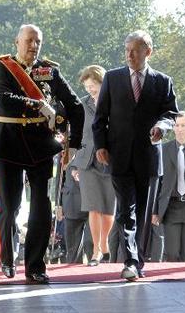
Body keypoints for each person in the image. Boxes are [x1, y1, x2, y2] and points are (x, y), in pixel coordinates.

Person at [0, 24, 84, 284]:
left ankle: (35, 266)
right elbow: (3, 99)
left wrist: (73, 144)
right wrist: (40, 104)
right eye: (29, 40)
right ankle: (8, 257)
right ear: (16, 41)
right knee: (10, 207)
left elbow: (76, 106)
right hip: (8, 142)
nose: (33, 46)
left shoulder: (49, 70)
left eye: (38, 41)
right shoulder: (1, 67)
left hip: (41, 144)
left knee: (42, 207)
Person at [92, 30, 178, 280]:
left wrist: (162, 127)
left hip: (148, 157)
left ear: (148, 52)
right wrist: (100, 146)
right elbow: (100, 119)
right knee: (125, 211)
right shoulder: (112, 78)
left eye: (135, 50)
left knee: (142, 212)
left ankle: (138, 261)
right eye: (127, 49)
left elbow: (171, 114)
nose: (129, 55)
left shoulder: (163, 81)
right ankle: (129, 261)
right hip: (118, 156)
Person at [74, 65, 116, 266]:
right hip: (87, 162)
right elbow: (76, 135)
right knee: (93, 207)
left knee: (108, 209)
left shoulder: (115, 103)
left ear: (102, 83)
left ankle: (104, 241)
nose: (90, 89)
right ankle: (96, 251)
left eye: (93, 85)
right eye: (87, 86)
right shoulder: (81, 105)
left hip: (110, 161)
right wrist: (74, 164)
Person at [152, 111, 185, 262]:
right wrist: (155, 211)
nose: (180, 129)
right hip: (171, 208)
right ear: (173, 128)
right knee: (171, 253)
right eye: (177, 125)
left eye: (184, 125)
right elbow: (157, 183)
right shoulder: (163, 150)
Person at [59, 162, 93, 263]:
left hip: (94, 201)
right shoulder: (67, 151)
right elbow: (60, 179)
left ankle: (96, 273)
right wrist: (59, 204)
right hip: (71, 201)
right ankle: (74, 276)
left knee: (90, 244)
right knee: (73, 250)